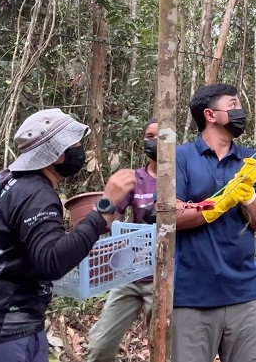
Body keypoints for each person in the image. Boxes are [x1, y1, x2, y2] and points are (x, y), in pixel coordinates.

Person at [0, 108, 137, 362]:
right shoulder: (36, 193)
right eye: (74, 144)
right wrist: (104, 207)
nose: (80, 150)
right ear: (57, 155)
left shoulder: (5, 185)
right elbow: (52, 260)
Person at [173, 83, 256, 362]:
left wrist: (248, 195)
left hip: (245, 293)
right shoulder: (180, 157)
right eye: (233, 105)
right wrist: (220, 204)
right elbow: (171, 215)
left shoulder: (253, 159)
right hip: (191, 297)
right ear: (210, 114)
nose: (240, 111)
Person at [86, 118, 159, 362]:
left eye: (159, 135)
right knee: (99, 347)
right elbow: (107, 220)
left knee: (162, 349)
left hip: (167, 277)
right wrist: (107, 199)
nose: (154, 141)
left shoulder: (184, 176)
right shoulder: (135, 179)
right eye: (149, 136)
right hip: (132, 271)